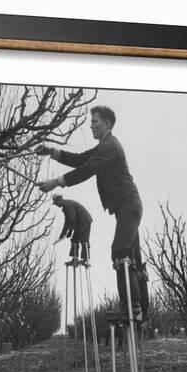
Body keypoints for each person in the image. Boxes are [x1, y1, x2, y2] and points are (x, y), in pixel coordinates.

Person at [36, 105, 145, 317]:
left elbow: (86, 170)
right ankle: (137, 306)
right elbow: (79, 159)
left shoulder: (111, 146)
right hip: (126, 207)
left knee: (120, 251)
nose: (91, 125)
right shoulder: (103, 146)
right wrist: (52, 152)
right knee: (129, 255)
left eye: (95, 121)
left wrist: (57, 182)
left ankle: (132, 307)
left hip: (129, 205)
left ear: (107, 124)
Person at [52, 194, 93, 261]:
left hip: (84, 221)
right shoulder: (65, 207)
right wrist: (63, 234)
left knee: (83, 240)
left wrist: (70, 231)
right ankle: (75, 258)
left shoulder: (68, 205)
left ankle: (85, 259)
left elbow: (72, 219)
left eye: (56, 203)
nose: (56, 205)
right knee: (74, 240)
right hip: (78, 223)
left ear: (59, 200)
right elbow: (67, 222)